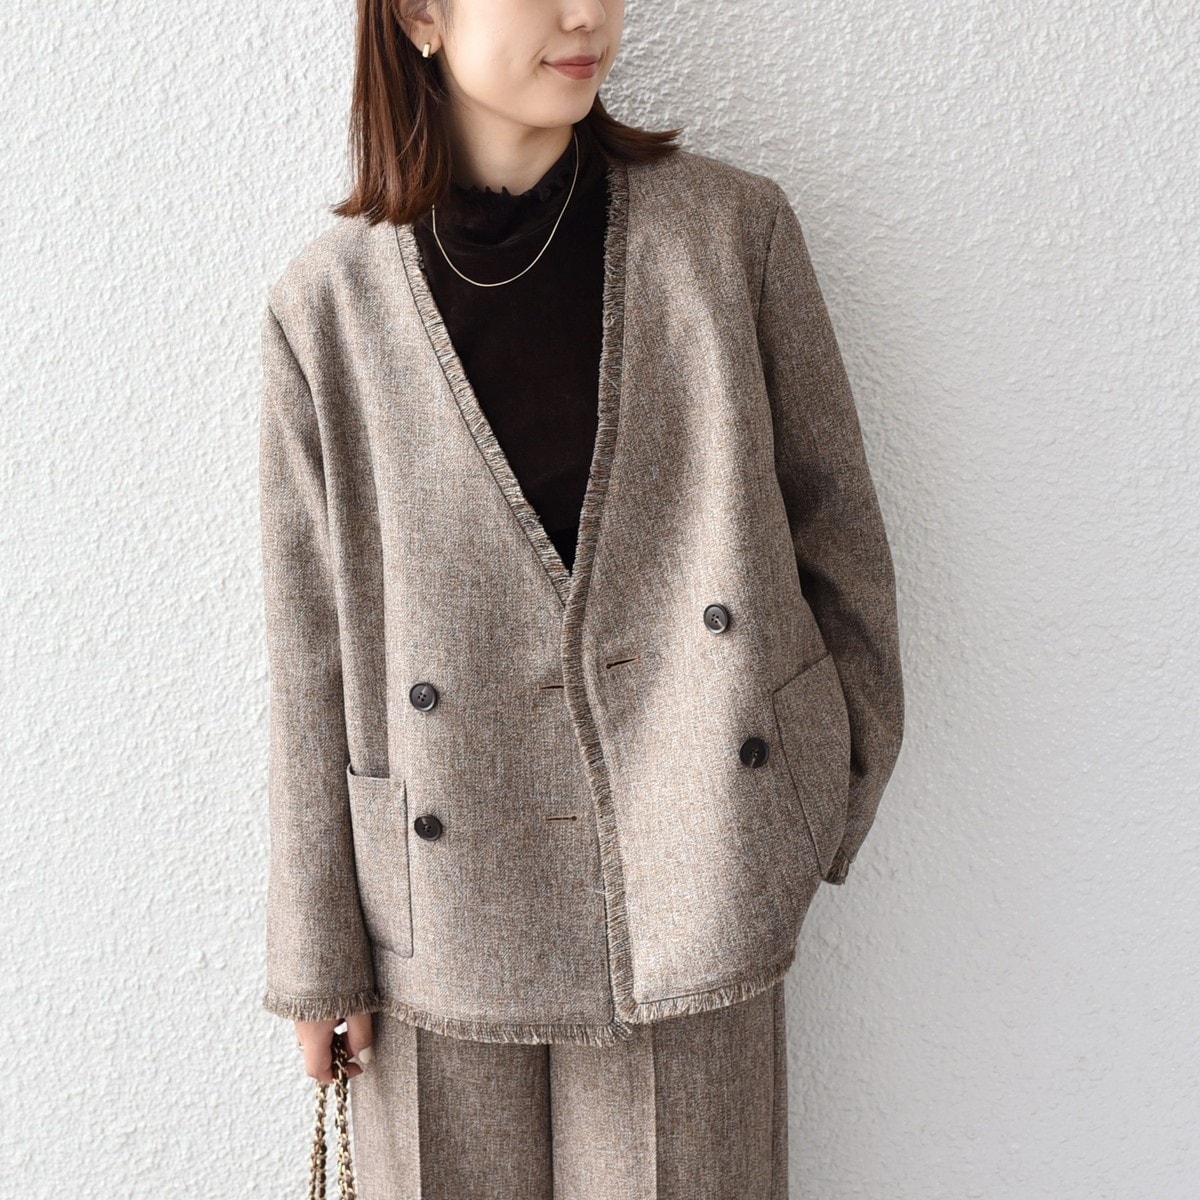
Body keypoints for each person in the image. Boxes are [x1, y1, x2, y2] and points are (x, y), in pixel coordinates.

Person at [257, 0, 905, 1195]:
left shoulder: (728, 235)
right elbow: (313, 658)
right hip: (438, 914)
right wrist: (319, 955)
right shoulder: (328, 311)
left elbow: (841, 538)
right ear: (420, 16)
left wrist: (803, 802)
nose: (586, 14)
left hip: (698, 872)